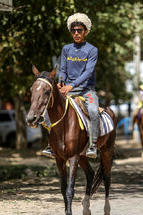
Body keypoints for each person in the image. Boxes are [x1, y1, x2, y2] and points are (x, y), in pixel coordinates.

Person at [42, 13, 99, 159]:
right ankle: (51, 145)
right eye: (73, 31)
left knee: (93, 111)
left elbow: (88, 72)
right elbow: (63, 69)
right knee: (48, 111)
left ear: (85, 31)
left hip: (86, 91)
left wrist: (71, 86)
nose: (76, 33)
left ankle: (92, 145)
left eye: (79, 30)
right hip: (67, 90)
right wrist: (61, 81)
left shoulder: (92, 50)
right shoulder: (66, 49)